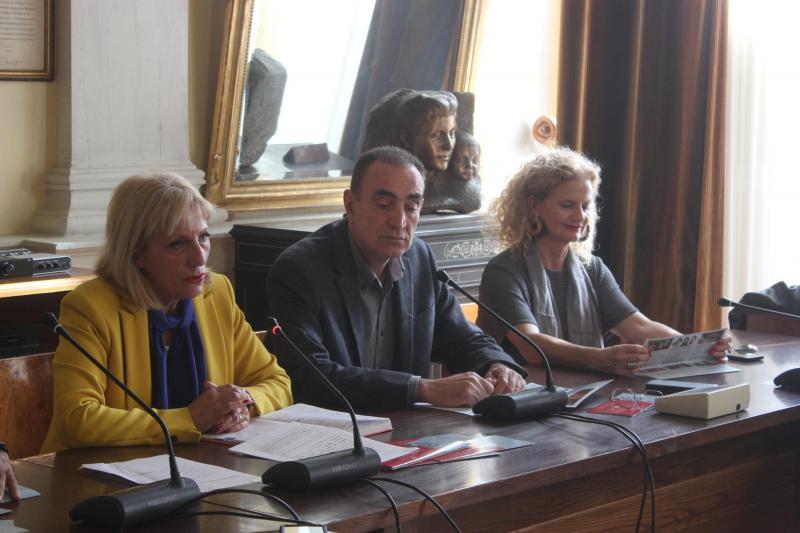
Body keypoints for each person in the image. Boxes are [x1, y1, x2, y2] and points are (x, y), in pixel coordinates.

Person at [42, 173, 292, 453]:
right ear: (137, 254)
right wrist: (189, 420)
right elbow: (78, 419)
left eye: (203, 237)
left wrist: (242, 403)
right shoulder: (91, 307)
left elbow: (277, 383)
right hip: (99, 469)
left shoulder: (216, 294)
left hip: (203, 465)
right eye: (177, 243)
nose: (199, 257)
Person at [266, 146, 526, 409]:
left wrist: (496, 364)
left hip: (406, 426)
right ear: (351, 205)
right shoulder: (300, 270)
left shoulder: (419, 258)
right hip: (332, 426)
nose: (400, 221)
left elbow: (461, 337)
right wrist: (421, 389)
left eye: (411, 207)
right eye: (384, 205)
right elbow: (309, 376)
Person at [477, 148, 730, 375]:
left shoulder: (592, 268)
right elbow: (532, 346)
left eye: (586, 206)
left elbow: (638, 328)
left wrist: (697, 348)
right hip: (523, 399)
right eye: (567, 205)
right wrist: (600, 358)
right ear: (534, 206)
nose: (580, 216)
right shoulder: (504, 271)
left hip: (586, 394)